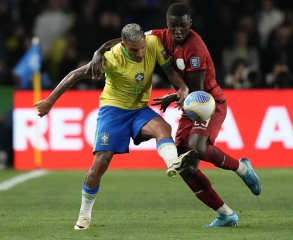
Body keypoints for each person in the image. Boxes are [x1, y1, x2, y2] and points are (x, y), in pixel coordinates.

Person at [88, 3, 262, 228]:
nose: (177, 30)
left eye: (182, 26)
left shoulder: (195, 47)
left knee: (198, 147)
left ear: (190, 23)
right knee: (185, 166)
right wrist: (99, 51)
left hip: (206, 101)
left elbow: (196, 89)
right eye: (173, 26)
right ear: (167, 25)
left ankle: (242, 168)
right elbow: (125, 43)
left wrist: (176, 94)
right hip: (189, 103)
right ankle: (225, 214)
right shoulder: (160, 36)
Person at [33, 23, 199, 230]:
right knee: (101, 162)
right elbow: (75, 74)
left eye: (142, 48)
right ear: (123, 45)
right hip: (113, 110)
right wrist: (50, 101)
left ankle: (173, 162)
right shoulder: (111, 58)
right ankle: (84, 215)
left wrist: (182, 87)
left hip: (138, 108)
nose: (140, 54)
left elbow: (169, 70)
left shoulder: (153, 43)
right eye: (133, 50)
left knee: (163, 128)